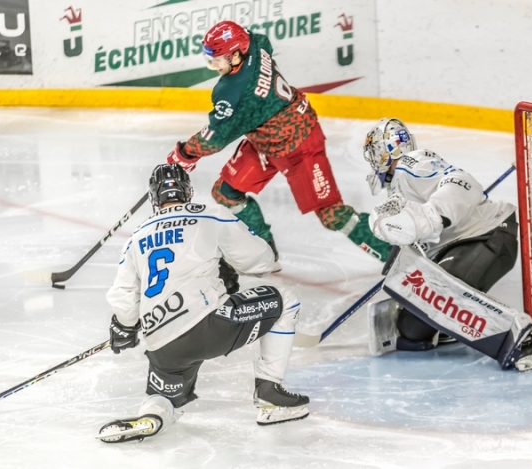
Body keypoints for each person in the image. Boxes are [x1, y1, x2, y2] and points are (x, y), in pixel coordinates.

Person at [98, 164, 309, 444]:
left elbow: (124, 296)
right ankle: (270, 394)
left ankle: (154, 416)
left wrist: (124, 326)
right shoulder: (210, 214)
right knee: (286, 300)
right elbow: (261, 261)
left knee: (162, 394)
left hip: (162, 342)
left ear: (154, 197)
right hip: (211, 325)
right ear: (187, 191)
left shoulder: (136, 237)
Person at [166, 20, 390, 268]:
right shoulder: (256, 43)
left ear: (238, 54)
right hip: (267, 141)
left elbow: (215, 138)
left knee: (332, 215)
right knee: (226, 193)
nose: (214, 64)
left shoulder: (233, 92)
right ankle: (264, 250)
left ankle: (392, 251)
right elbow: (263, 41)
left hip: (300, 144)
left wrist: (184, 154)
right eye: (211, 57)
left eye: (219, 57)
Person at [363, 118, 532, 371]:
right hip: (460, 245)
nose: (373, 159)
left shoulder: (410, 163)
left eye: (376, 151)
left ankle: (526, 343)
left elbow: (462, 182)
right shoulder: (399, 187)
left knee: (438, 297)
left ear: (388, 149)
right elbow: (417, 233)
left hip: (487, 236)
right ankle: (450, 325)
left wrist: (433, 214)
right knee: (411, 333)